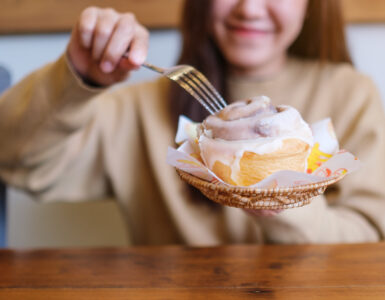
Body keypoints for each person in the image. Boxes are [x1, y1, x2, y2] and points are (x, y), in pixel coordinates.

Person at [0, 0, 384, 245]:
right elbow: (16, 160)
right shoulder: (140, 109)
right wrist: (79, 77)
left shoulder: (350, 95)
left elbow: (372, 239)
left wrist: (276, 194)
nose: (249, 8)